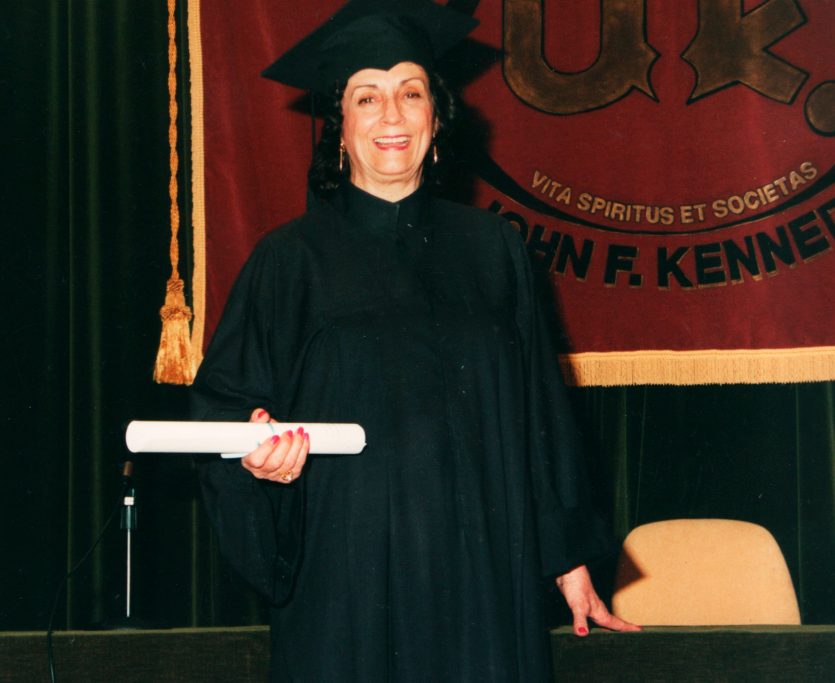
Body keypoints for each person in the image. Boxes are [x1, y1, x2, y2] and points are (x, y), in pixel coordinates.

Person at [190, 1, 640, 680]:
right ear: (340, 130)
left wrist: (569, 560)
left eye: (411, 92)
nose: (392, 115)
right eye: (366, 97)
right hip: (346, 581)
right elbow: (223, 411)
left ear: (436, 118)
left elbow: (540, 412)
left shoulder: (494, 250)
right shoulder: (289, 262)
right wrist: (257, 459)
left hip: (483, 575)